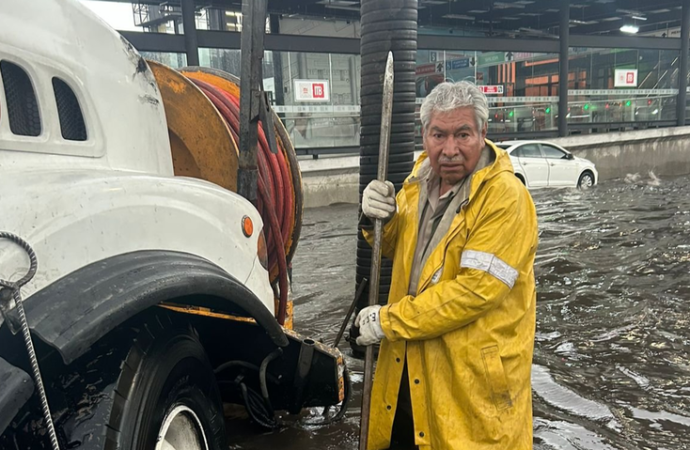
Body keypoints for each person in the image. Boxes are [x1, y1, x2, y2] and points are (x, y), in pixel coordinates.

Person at [355, 81, 538, 450]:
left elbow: (474, 292)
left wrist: (387, 321)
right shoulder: (417, 180)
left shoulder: (505, 198)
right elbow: (396, 248)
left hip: (469, 389)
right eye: (439, 134)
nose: (449, 150)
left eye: (463, 134)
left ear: (483, 134)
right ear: (424, 134)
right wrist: (376, 218)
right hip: (407, 371)